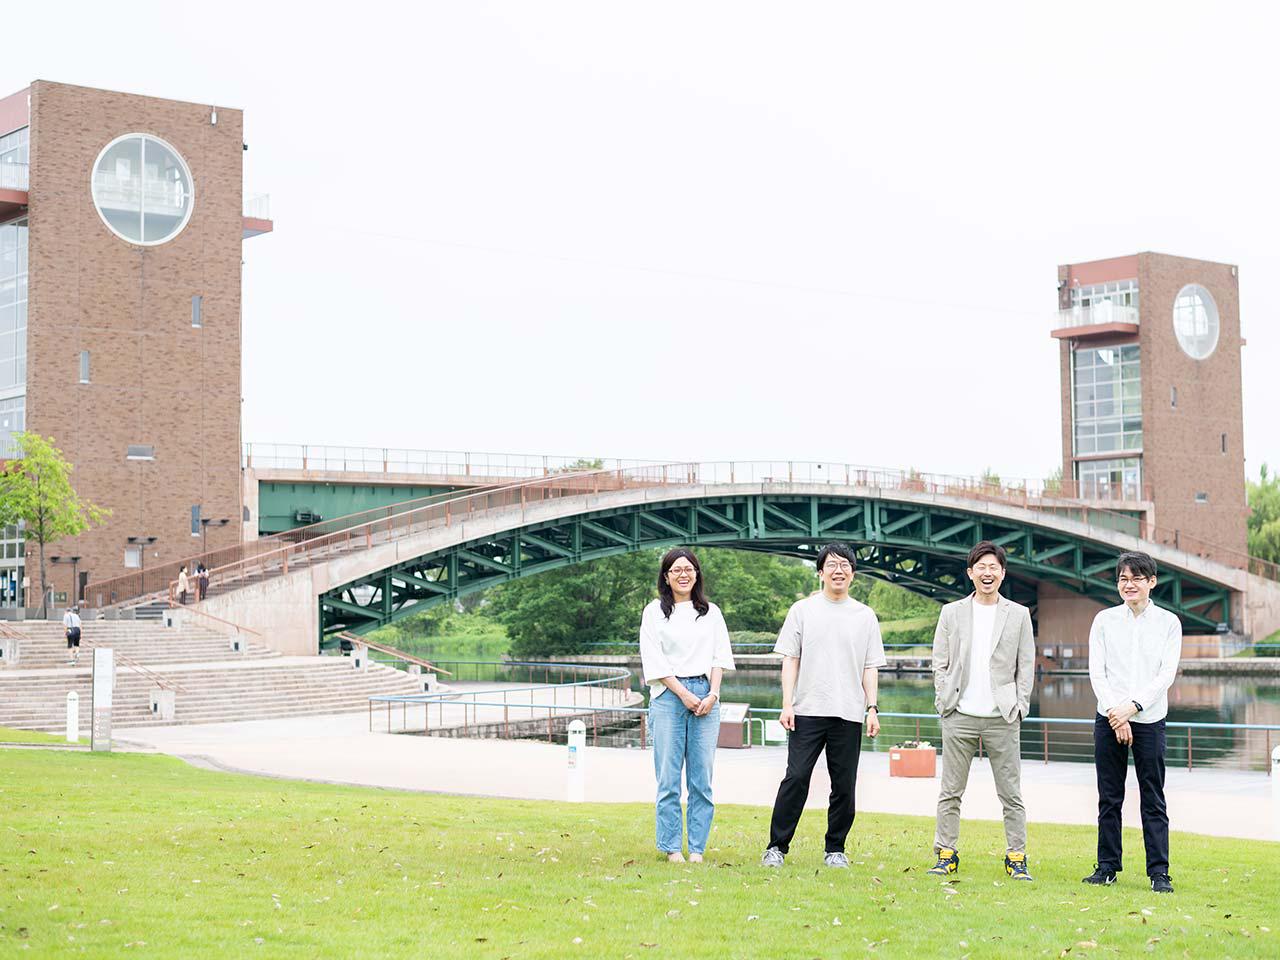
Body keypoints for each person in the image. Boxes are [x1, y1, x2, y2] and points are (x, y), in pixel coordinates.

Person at [762, 542, 885, 869]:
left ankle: (836, 849)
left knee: (844, 784)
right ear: (820, 572)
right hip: (806, 710)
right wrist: (786, 703)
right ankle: (776, 846)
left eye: (845, 565)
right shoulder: (802, 610)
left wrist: (872, 708)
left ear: (853, 574)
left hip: (849, 712)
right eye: (831, 564)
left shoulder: (865, 616)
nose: (838, 570)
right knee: (796, 777)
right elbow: (791, 659)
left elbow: (869, 666)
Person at [927, 540, 1036, 881]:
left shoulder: (1018, 614)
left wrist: (1019, 705)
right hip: (959, 714)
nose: (987, 573)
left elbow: (1026, 664)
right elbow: (939, 662)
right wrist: (944, 699)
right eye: (981, 568)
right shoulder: (952, 612)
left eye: (994, 568)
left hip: (1002, 717)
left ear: (1002, 573)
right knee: (950, 792)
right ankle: (946, 854)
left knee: (1011, 795)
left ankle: (1016, 857)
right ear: (970, 573)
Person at [1082, 550, 1181, 894]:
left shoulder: (1168, 623)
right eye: (1123, 579)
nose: (1129, 584)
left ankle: (1159, 872)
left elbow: (1164, 675)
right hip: (1108, 718)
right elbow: (1098, 672)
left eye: (1137, 578)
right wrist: (1116, 712)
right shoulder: (1104, 620)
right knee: (1109, 796)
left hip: (1150, 719)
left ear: (1151, 582)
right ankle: (1107, 866)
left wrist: (1132, 708)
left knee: (1152, 798)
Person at [639, 548, 735, 863]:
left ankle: (696, 848)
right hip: (669, 695)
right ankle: (670, 848)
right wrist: (682, 693)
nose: (683, 575)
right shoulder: (654, 612)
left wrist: (713, 694)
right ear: (666, 576)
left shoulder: (711, 612)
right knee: (668, 777)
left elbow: (720, 656)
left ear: (697, 574)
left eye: (689, 569)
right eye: (676, 570)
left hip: (706, 695)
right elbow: (654, 659)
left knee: (701, 778)